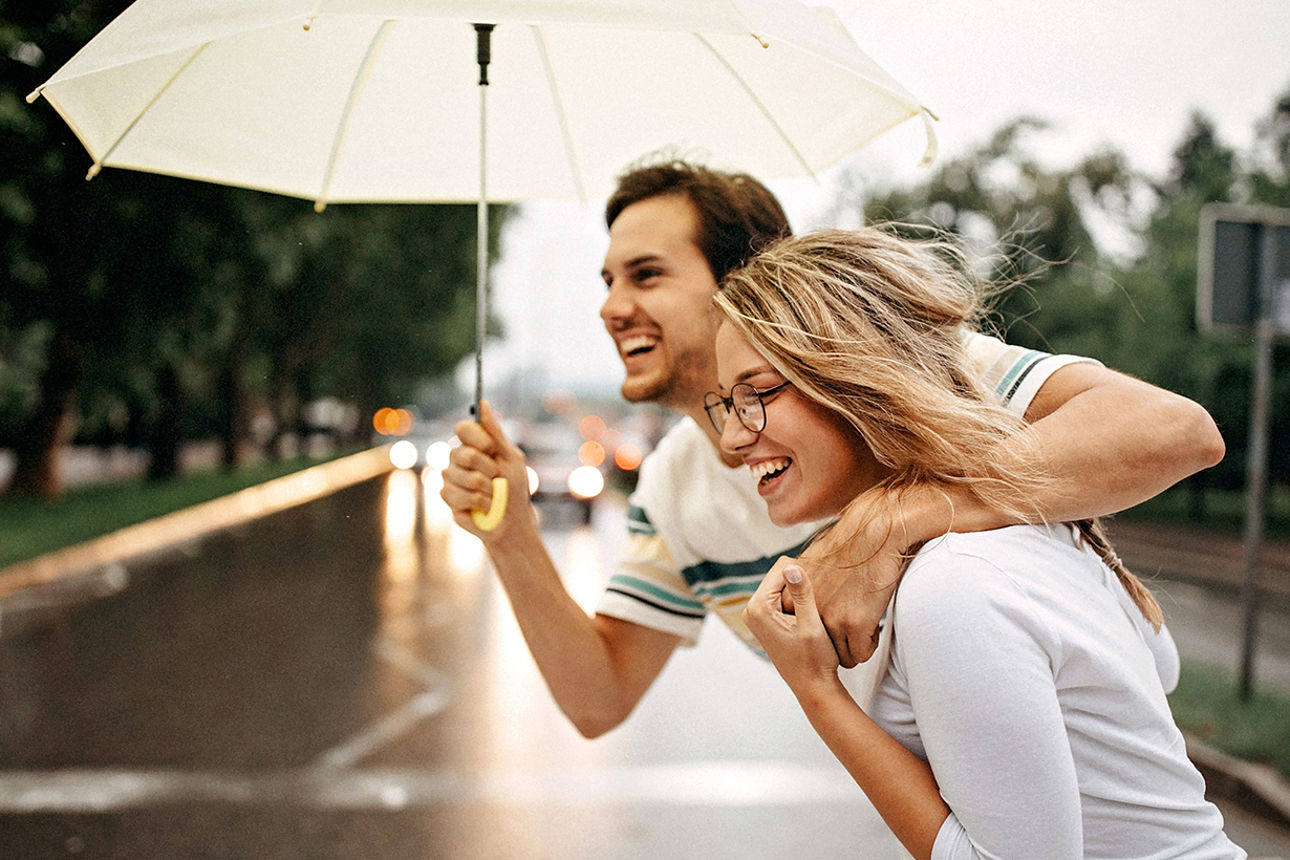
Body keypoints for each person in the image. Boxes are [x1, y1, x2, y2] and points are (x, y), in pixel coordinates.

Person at [440, 156, 1225, 739]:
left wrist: (892, 520)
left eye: (645, 275)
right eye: (608, 280)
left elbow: (1176, 430)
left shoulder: (909, 377)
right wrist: (511, 540)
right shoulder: (672, 490)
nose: (612, 308)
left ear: (748, 281)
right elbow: (598, 700)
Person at [722, 228, 1243, 859]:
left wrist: (817, 691)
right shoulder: (1013, 511)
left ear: (852, 376)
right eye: (725, 403)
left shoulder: (956, 575)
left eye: (755, 394)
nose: (731, 438)